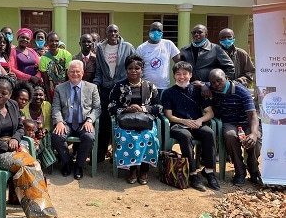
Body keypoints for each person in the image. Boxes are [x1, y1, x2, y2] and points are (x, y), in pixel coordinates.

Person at [0, 76, 59, 218]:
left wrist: (15, 138)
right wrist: (5, 145)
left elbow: (20, 128)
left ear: (10, 94)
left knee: (34, 164)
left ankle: (42, 211)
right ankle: (41, 215)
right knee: (28, 165)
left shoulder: (13, 105)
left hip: (14, 149)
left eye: (4, 93)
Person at [161, 61, 220, 192]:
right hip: (178, 126)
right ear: (174, 76)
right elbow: (169, 116)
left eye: (185, 74)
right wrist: (184, 121)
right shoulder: (168, 93)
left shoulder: (199, 91)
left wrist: (200, 120)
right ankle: (193, 174)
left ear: (190, 75)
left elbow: (209, 112)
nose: (182, 77)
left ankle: (209, 172)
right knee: (185, 135)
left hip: (197, 124)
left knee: (209, 132)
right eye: (178, 74)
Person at [108, 55, 162, 185]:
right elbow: (111, 107)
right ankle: (132, 169)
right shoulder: (119, 86)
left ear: (142, 70)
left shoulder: (150, 86)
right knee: (128, 136)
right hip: (125, 123)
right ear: (126, 70)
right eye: (130, 68)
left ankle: (144, 169)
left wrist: (142, 108)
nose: (133, 71)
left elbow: (159, 107)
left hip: (145, 122)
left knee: (148, 136)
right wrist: (126, 109)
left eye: (137, 68)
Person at [208, 69, 262, 186]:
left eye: (219, 80)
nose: (216, 84)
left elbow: (253, 115)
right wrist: (203, 86)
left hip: (247, 122)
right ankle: (240, 172)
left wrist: (253, 133)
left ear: (226, 78)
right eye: (213, 83)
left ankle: (253, 169)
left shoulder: (242, 91)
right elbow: (196, 82)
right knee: (230, 136)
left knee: (254, 140)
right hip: (230, 123)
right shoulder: (212, 87)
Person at [51, 60, 101, 180]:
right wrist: (59, 122)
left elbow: (97, 108)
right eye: (72, 71)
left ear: (82, 73)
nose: (75, 74)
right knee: (56, 136)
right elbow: (56, 107)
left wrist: (89, 120)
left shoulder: (92, 88)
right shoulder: (60, 88)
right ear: (68, 73)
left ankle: (79, 165)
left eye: (77, 71)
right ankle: (67, 163)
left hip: (84, 123)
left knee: (89, 137)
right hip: (66, 123)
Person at [93, 24, 135, 162]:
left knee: (121, 121)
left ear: (119, 32)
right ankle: (101, 153)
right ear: (106, 33)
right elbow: (99, 70)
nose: (113, 33)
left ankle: (119, 154)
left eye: (115, 31)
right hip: (105, 90)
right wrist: (95, 85)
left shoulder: (128, 47)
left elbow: (135, 66)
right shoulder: (100, 48)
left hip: (123, 89)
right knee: (104, 122)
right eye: (110, 31)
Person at [136, 21, 180, 95]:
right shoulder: (141, 48)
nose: (156, 32)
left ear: (162, 33)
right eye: (153, 29)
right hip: (146, 87)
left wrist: (178, 77)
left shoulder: (168, 44)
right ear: (148, 32)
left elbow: (179, 62)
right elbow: (137, 66)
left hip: (163, 87)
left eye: (159, 30)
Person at [39, 31, 72, 100]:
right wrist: (49, 99)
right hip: (52, 88)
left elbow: (68, 76)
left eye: (56, 41)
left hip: (65, 86)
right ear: (47, 42)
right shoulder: (43, 59)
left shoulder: (67, 54)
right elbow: (46, 82)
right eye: (51, 41)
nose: (54, 43)